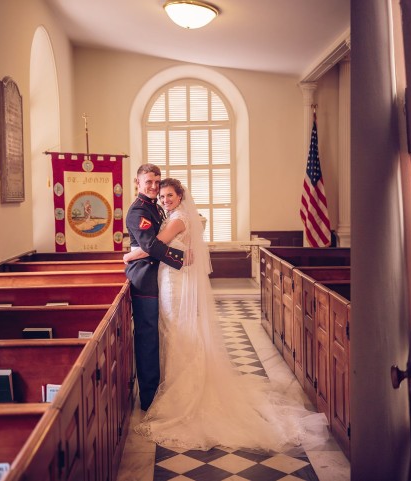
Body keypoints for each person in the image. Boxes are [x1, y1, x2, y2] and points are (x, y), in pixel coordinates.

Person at [124, 178, 327, 452]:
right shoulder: (175, 215)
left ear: (180, 195)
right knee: (174, 332)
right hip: (171, 278)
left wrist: (127, 257)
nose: (164, 199)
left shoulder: (177, 218)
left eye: (169, 195)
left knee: (175, 332)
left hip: (175, 283)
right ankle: (175, 386)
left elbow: (154, 245)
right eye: (162, 196)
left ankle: (183, 394)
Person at [125, 164, 185, 411]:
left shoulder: (156, 207)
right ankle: (149, 399)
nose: (153, 186)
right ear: (137, 182)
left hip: (158, 276)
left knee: (161, 335)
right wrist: (181, 259)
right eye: (148, 181)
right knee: (148, 338)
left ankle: (160, 388)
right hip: (145, 279)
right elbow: (150, 245)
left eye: (156, 182)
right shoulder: (138, 210)